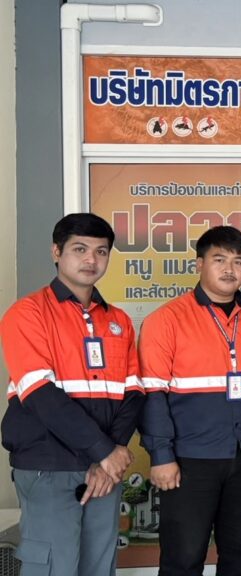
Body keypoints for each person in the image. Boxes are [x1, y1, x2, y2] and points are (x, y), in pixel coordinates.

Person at [139, 225, 241, 575]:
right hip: (189, 460)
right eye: (219, 259)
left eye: (238, 261)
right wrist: (161, 455)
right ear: (199, 265)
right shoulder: (166, 320)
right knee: (183, 557)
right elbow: (152, 396)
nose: (229, 269)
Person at [0, 213, 142, 575]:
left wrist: (109, 455)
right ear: (56, 252)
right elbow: (41, 395)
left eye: (101, 251)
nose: (91, 259)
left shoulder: (119, 321)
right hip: (49, 464)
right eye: (80, 249)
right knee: (54, 567)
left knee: (99, 566)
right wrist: (105, 451)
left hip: (104, 469)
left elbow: (134, 392)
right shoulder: (27, 314)